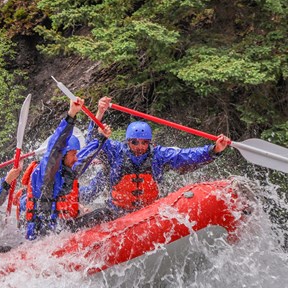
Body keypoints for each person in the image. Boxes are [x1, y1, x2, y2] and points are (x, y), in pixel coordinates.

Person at [76, 96, 232, 225]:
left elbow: (186, 155)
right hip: (118, 213)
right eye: (135, 142)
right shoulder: (115, 151)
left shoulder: (158, 155)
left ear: (149, 142)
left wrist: (214, 149)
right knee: (96, 213)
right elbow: (93, 142)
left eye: (144, 142)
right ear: (128, 141)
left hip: (149, 213)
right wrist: (100, 112)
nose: (140, 146)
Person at [24, 98, 111, 240]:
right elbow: (55, 146)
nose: (75, 158)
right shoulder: (47, 172)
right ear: (62, 155)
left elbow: (84, 157)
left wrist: (101, 139)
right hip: (42, 235)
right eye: (72, 155)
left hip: (62, 230)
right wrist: (71, 115)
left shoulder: (69, 168)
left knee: (103, 213)